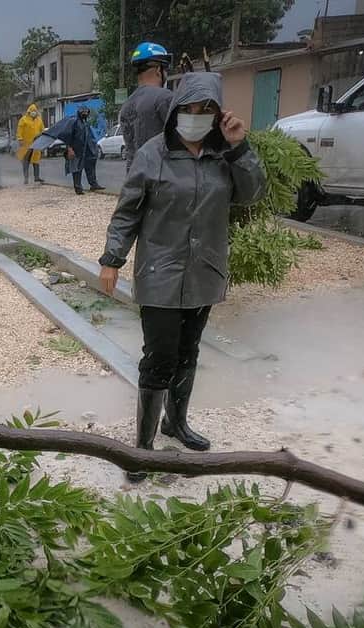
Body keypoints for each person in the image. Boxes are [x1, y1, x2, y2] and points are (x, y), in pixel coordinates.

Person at [98, 72, 266, 481]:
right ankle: (143, 448)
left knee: (189, 352)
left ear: (217, 113)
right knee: (159, 358)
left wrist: (240, 146)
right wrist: (111, 258)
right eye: (188, 109)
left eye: (204, 109)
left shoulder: (224, 155)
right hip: (159, 272)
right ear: (176, 111)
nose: (195, 116)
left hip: (204, 271)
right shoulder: (153, 154)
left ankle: (176, 423)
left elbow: (254, 193)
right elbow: (128, 212)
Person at [120, 42, 175, 172]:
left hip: (135, 178)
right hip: (162, 179)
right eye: (165, 69)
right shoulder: (165, 97)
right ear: (158, 70)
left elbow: (130, 151)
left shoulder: (126, 106)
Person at [66, 105, 103, 194]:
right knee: (77, 169)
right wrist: (70, 148)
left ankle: (93, 185)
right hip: (77, 149)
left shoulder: (86, 123)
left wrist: (94, 146)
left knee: (90, 167)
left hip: (87, 149)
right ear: (79, 113)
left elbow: (90, 136)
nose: (85, 114)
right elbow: (68, 136)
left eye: (86, 112)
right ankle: (78, 188)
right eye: (83, 112)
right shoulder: (74, 122)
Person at [16, 103, 46, 184]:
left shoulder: (39, 120)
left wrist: (42, 139)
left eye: (35, 111)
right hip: (26, 144)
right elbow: (19, 130)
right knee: (26, 161)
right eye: (32, 111)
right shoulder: (23, 120)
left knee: (36, 161)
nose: (34, 112)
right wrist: (20, 139)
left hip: (36, 143)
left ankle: (37, 177)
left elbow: (42, 130)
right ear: (29, 112)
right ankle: (26, 178)